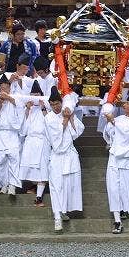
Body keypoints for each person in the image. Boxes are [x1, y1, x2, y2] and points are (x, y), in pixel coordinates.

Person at [103, 90, 129, 234]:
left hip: (127, 160)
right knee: (113, 188)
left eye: (127, 103)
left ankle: (123, 209)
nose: (124, 104)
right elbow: (110, 133)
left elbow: (128, 133)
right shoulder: (120, 118)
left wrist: (113, 122)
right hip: (115, 158)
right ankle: (117, 221)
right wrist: (109, 123)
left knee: (127, 189)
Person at [46, 86, 84, 232]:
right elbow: (55, 139)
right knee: (56, 187)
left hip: (70, 154)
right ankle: (57, 217)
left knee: (69, 185)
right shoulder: (48, 118)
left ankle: (64, 211)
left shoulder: (66, 112)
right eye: (53, 104)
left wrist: (71, 117)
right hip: (57, 156)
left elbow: (77, 133)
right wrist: (65, 121)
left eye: (57, 103)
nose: (55, 107)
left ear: (61, 102)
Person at [19, 80, 50, 207]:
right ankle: (33, 188)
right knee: (31, 169)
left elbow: (49, 124)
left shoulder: (47, 109)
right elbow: (23, 128)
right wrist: (27, 109)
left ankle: (39, 197)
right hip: (30, 141)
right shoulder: (29, 109)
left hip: (42, 142)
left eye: (37, 95)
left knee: (42, 169)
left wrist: (43, 107)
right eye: (33, 95)